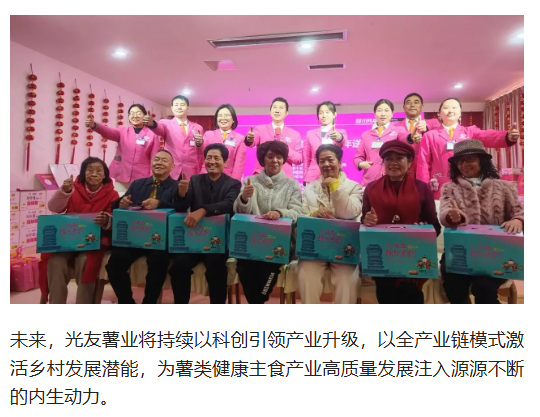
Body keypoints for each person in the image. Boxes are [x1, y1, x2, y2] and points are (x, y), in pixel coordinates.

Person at [438, 140, 524, 304]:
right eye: (460, 161)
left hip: (496, 252)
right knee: (454, 286)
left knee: (484, 288)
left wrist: (518, 220)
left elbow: (520, 212)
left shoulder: (504, 187)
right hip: (459, 252)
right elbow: (446, 211)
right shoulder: (450, 188)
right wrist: (452, 217)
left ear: (482, 160)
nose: (464, 164)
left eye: (469, 159)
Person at [361, 140, 441, 304]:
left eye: (399, 158)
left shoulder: (421, 188)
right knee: (385, 291)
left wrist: (424, 229)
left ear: (409, 162)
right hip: (383, 254)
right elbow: (364, 221)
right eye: (389, 159)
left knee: (409, 291)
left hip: (413, 253)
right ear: (383, 163)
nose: (393, 163)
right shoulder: (371, 188)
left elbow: (435, 226)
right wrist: (367, 220)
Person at [169, 143, 242, 304]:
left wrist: (203, 210)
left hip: (218, 241)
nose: (212, 161)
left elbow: (229, 204)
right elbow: (181, 207)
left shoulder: (234, 184)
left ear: (225, 162)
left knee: (216, 267)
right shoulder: (194, 180)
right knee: (179, 264)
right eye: (209, 158)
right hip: (194, 239)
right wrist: (181, 194)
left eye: (217, 158)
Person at [234, 141, 303, 303]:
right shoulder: (250, 181)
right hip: (253, 240)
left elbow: (298, 212)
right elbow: (240, 213)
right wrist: (244, 198)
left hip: (280, 242)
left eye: (279, 157)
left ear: (284, 159)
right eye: (270, 157)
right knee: (243, 266)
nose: (275, 161)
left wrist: (280, 213)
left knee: (268, 267)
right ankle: (258, 302)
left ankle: (257, 302)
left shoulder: (292, 184)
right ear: (262, 159)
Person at [105, 150, 178, 303]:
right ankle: (126, 302)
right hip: (135, 237)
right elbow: (117, 206)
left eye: (164, 160)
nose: (159, 163)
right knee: (114, 265)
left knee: (158, 264)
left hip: (160, 241)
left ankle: (149, 303)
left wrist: (160, 203)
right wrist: (121, 203)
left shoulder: (177, 187)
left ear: (172, 166)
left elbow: (181, 208)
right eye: (156, 159)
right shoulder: (138, 184)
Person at [46, 157, 119, 303]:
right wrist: (64, 192)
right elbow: (54, 208)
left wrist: (107, 220)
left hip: (94, 243)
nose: (94, 174)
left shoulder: (113, 194)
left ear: (105, 175)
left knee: (85, 262)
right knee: (55, 262)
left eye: (99, 171)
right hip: (68, 240)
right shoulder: (71, 188)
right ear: (83, 173)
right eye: (90, 170)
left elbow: (115, 220)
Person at [417, 97, 520, 199]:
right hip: (439, 185)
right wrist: (423, 189)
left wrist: (507, 137)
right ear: (439, 113)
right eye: (446, 108)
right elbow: (423, 163)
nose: (450, 110)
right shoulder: (430, 135)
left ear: (460, 113)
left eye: (454, 107)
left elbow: (487, 135)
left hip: (467, 183)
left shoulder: (470, 132)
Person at [297, 144, 363, 303]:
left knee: (347, 279)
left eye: (330, 160)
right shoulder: (310, 188)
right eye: (322, 161)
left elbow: (349, 213)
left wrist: (335, 186)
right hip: (315, 249)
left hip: (344, 249)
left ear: (340, 163)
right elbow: (301, 215)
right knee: (306, 275)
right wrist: (314, 214)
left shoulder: (354, 187)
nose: (326, 164)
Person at [86, 104, 161, 193]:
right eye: (132, 113)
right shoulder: (123, 131)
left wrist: (154, 177)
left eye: (138, 113)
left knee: (139, 201)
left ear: (145, 116)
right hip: (122, 175)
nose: (135, 116)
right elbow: (108, 132)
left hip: (142, 178)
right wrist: (95, 125)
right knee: (120, 199)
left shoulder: (152, 134)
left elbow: (155, 158)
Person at [354, 99, 415, 187]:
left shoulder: (398, 130)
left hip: (391, 178)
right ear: (375, 114)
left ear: (392, 114)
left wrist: (411, 137)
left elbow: (404, 137)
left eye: (386, 110)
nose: (383, 114)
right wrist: (360, 164)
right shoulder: (366, 135)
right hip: (370, 179)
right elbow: (357, 157)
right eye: (379, 110)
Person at [143, 95, 204, 179]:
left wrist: (200, 144)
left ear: (188, 108)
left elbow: (200, 152)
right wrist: (152, 124)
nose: (179, 107)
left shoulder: (198, 127)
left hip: (191, 171)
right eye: (176, 105)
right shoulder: (165, 123)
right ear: (172, 108)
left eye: (182, 105)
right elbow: (159, 129)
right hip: (171, 170)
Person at [244, 97, 302, 179]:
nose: (277, 110)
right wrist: (249, 139)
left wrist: (285, 148)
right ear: (270, 111)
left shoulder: (295, 134)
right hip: (262, 177)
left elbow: (299, 159)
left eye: (281, 108)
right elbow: (251, 141)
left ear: (286, 113)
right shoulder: (260, 129)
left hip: (284, 179)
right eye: (275, 107)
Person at [394, 93, 441, 177]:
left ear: (422, 106)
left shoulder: (433, 123)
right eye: (409, 102)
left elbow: (439, 137)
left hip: (425, 171)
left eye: (416, 102)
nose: (412, 105)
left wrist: (426, 129)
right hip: (401, 172)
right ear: (404, 107)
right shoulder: (395, 126)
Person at [303, 101, 348, 183]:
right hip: (313, 176)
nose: (324, 115)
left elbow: (343, 142)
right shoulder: (310, 134)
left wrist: (339, 137)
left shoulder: (340, 132)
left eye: (327, 112)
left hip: (333, 172)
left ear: (334, 114)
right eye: (321, 113)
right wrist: (305, 176)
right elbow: (306, 158)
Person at [200, 104, 246, 181]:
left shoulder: (240, 138)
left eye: (226, 115)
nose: (223, 118)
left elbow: (239, 165)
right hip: (207, 177)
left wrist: (233, 183)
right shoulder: (208, 135)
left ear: (233, 119)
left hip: (228, 179)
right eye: (220, 115)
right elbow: (202, 158)